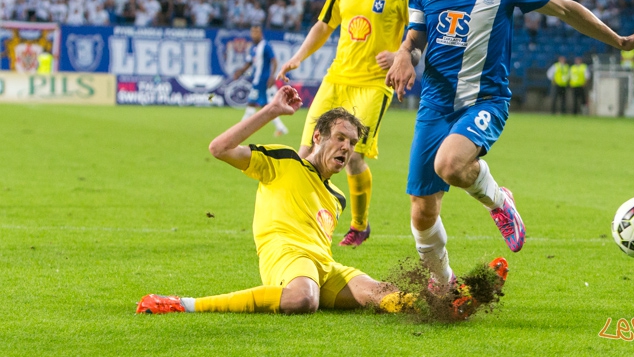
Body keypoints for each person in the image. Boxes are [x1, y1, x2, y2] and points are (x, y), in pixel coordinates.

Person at [385, 0, 634, 289]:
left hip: (485, 99)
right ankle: (444, 285)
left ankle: (498, 200)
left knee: (450, 165)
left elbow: (564, 9)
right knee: (422, 210)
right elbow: (414, 36)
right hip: (436, 103)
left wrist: (618, 40)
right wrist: (403, 56)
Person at [135, 86, 462, 316]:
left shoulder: (337, 197)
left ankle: (449, 303)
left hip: (323, 266)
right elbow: (218, 148)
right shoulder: (284, 162)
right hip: (287, 259)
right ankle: (184, 303)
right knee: (303, 300)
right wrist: (273, 110)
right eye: (339, 138)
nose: (346, 148)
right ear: (318, 137)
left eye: (351, 142)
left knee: (377, 293)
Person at [276, 0, 412, 247]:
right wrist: (298, 57)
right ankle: (301, 216)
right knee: (307, 149)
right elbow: (324, 25)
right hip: (337, 78)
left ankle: (359, 224)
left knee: (350, 155)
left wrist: (399, 55)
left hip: (374, 84)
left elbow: (416, 34)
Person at [233, 25, 289, 136]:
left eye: (257, 32)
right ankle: (281, 128)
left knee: (253, 104)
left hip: (262, 81)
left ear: (261, 33)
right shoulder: (253, 48)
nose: (254, 34)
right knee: (263, 106)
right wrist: (240, 72)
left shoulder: (266, 46)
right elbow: (249, 63)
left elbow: (274, 61)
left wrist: (272, 76)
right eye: (253, 32)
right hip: (257, 80)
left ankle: (238, 130)